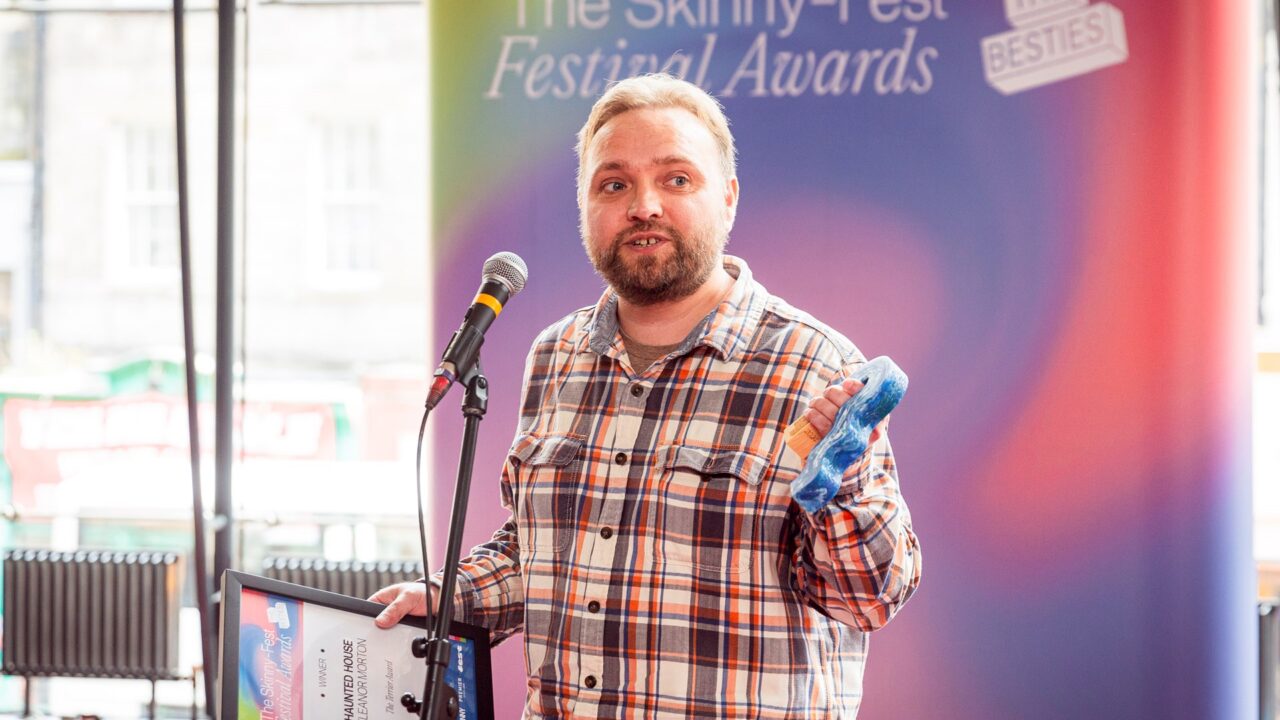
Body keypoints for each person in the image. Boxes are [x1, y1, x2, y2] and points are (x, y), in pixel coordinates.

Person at [371, 73, 921, 718]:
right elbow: (542, 552)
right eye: (614, 184)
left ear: (729, 199)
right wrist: (447, 597)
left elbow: (869, 599)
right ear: (586, 208)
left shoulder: (817, 367)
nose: (644, 205)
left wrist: (838, 482)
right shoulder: (556, 354)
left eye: (676, 179)